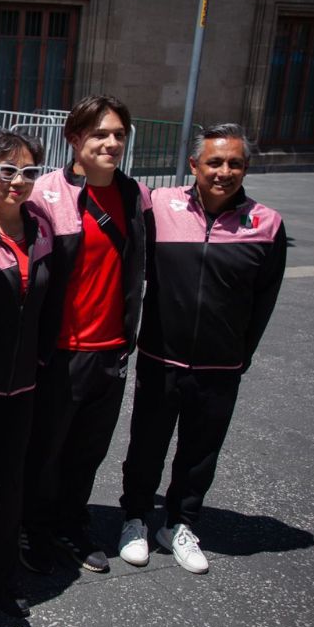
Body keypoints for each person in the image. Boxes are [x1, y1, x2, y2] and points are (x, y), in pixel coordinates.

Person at [117, 124, 285, 574]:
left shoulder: (266, 224)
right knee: (147, 445)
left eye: (234, 163)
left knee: (201, 450)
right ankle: (135, 517)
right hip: (161, 357)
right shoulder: (161, 206)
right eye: (214, 161)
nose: (224, 171)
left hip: (221, 364)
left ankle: (181, 522)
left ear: (245, 168)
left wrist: (240, 355)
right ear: (194, 165)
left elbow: (264, 301)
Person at [19, 95, 153, 576]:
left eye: (119, 134)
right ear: (74, 138)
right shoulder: (45, 193)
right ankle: (31, 527)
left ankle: (71, 524)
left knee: (88, 450)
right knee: (46, 449)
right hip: (58, 351)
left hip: (111, 350)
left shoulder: (135, 196)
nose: (111, 143)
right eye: (100, 133)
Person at [0, 130, 56, 618]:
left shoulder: (41, 227)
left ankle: (1, 573)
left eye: (28, 172)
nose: (17, 182)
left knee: (10, 480)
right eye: (6, 170)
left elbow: (50, 301)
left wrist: (42, 360)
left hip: (22, 379)